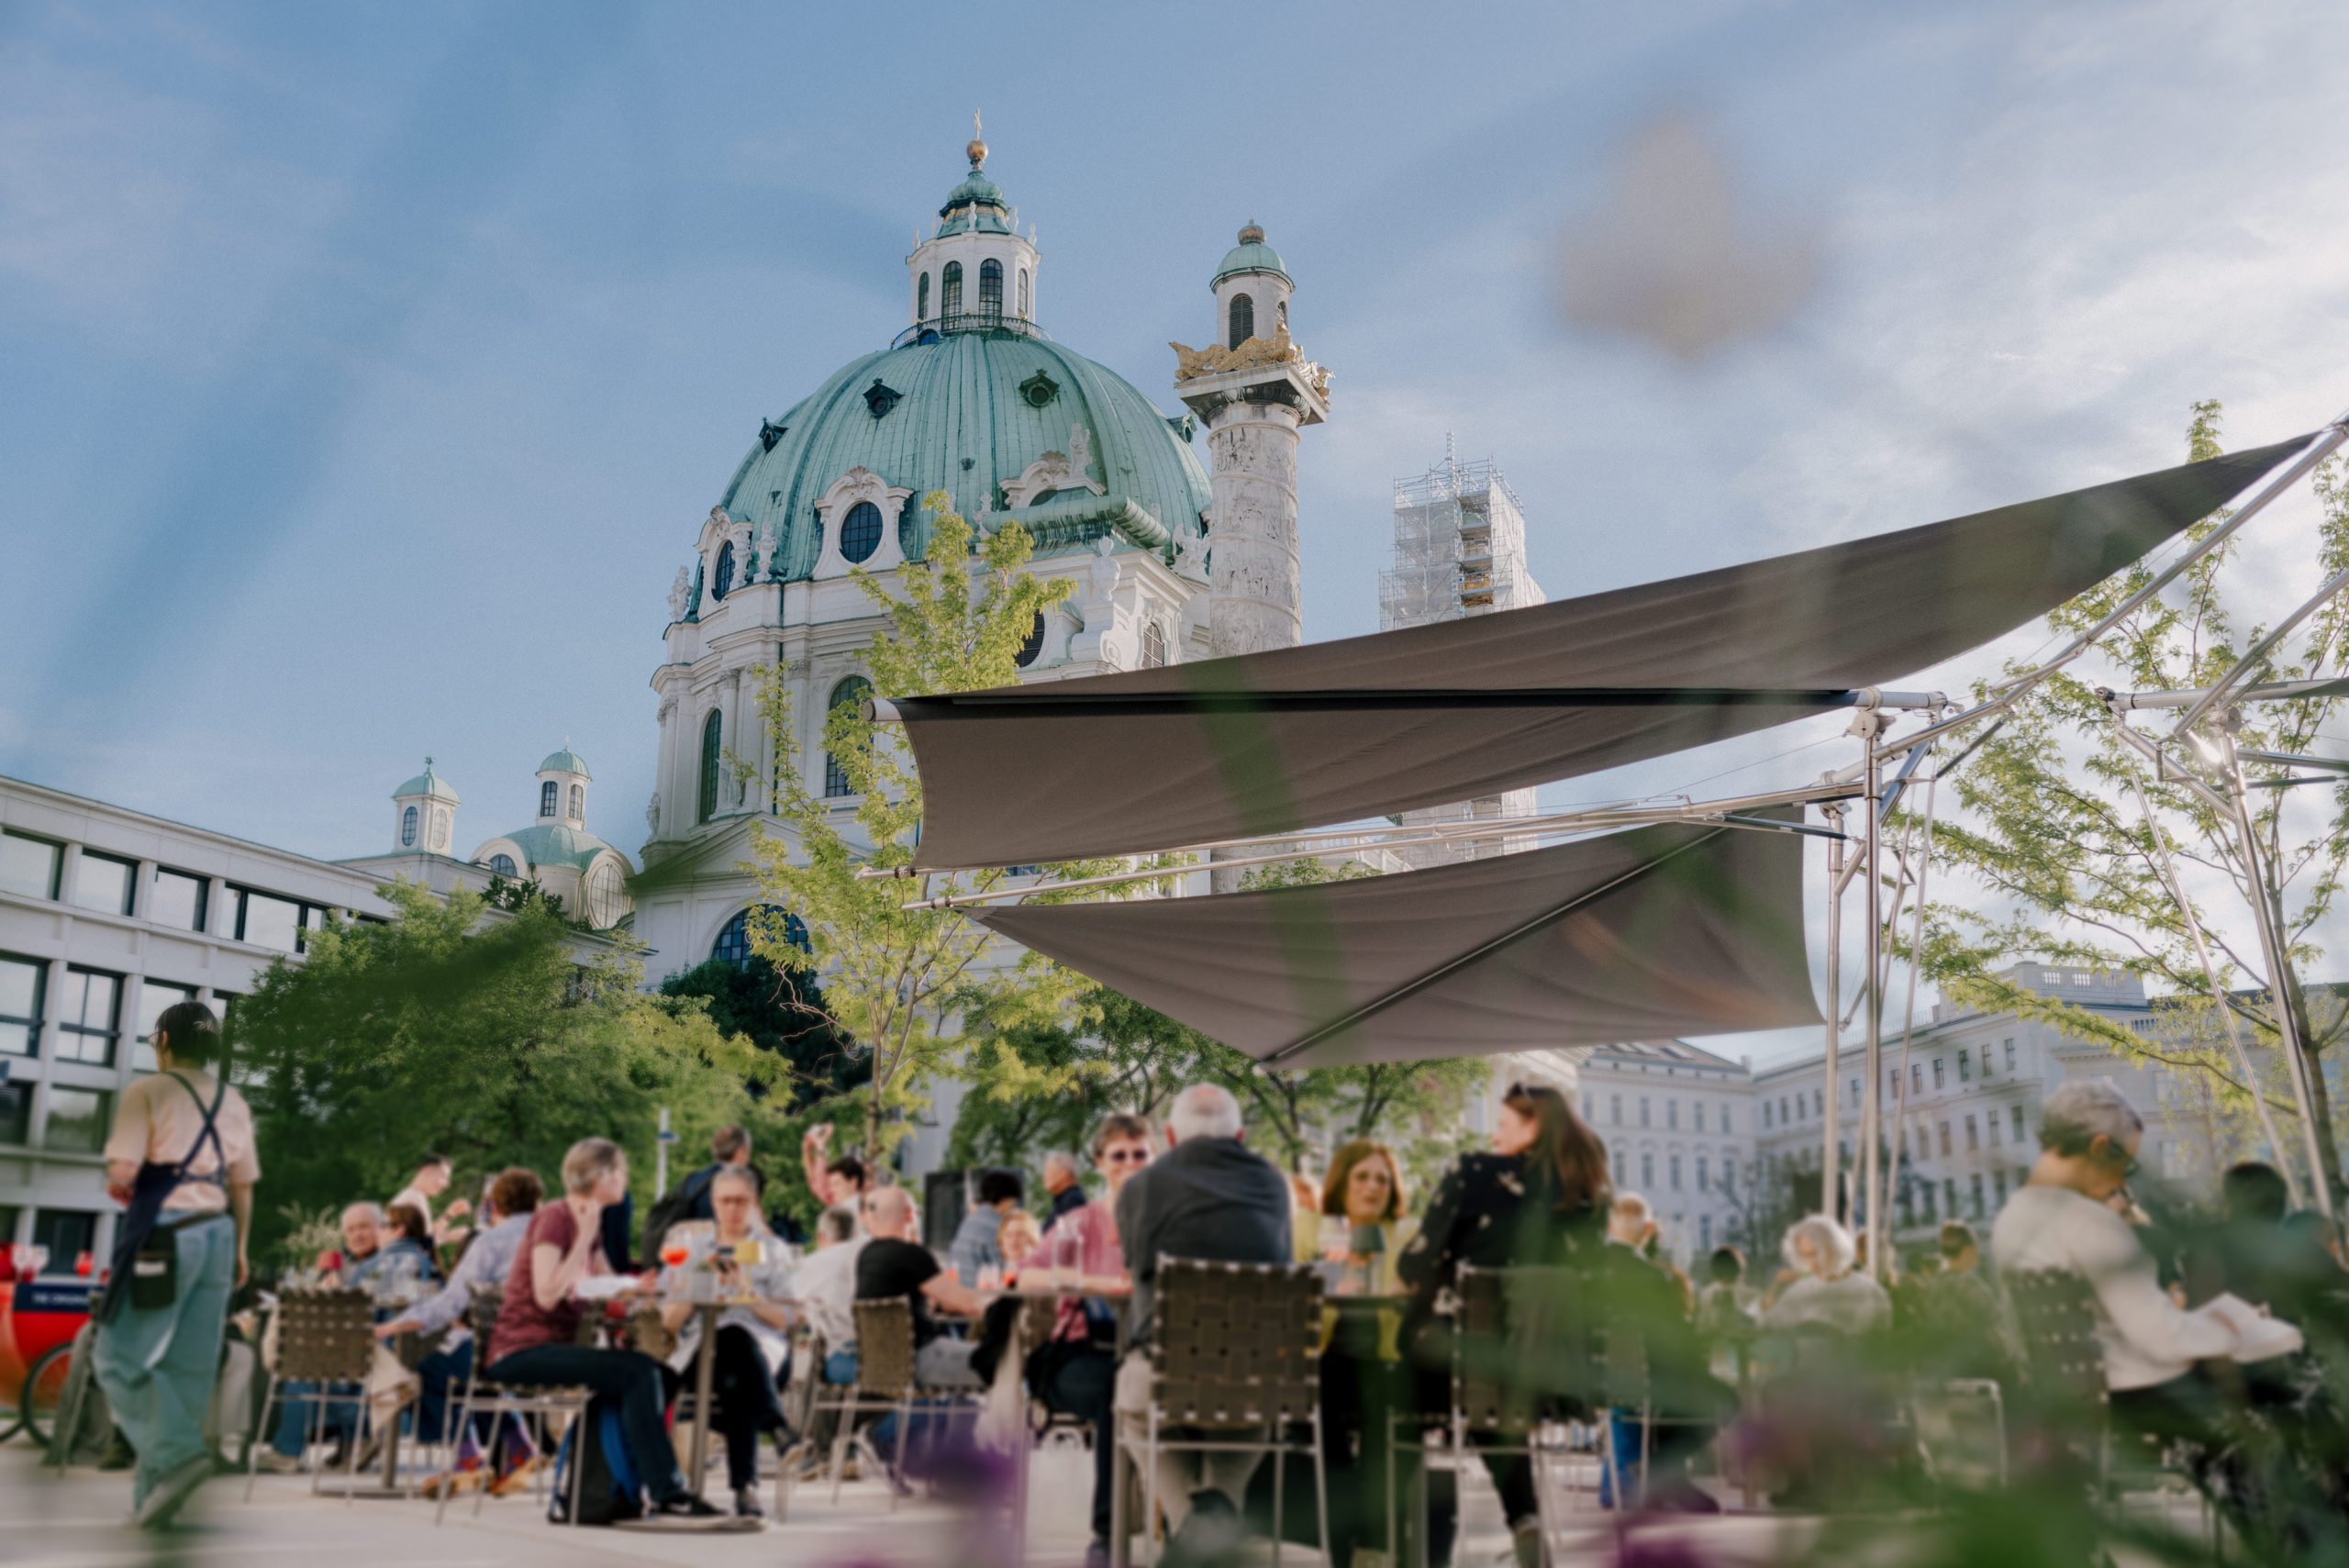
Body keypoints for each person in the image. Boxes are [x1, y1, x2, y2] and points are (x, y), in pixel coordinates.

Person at [1990, 1080, 2332, 1539]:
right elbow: (2161, 1337)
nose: (2122, 1180)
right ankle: (2303, 1541)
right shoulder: (2087, 1222)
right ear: (2099, 1148)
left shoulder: (2013, 1220)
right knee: (2311, 1394)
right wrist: (2230, 1327)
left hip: (2082, 1400)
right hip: (2145, 1398)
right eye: (2126, 1163)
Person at [1399, 1083, 1609, 1568]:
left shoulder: (1473, 1172)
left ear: (1532, 1125)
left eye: (1503, 1125)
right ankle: (1525, 1521)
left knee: (1400, 1397)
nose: (1494, 1137)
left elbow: (1418, 1262)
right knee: (1494, 1404)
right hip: (1555, 1376)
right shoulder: (1586, 1194)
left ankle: (1391, 1542)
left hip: (1457, 1364)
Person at [483, 1137, 721, 1520]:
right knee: (638, 1372)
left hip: (556, 1346)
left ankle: (614, 1488)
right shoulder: (556, 1217)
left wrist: (645, 1287)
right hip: (520, 1351)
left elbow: (608, 1284)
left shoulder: (587, 1222)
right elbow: (546, 1294)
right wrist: (582, 1236)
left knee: (660, 1373)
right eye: (622, 1171)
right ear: (601, 1175)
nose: (626, 1178)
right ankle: (668, 1492)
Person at [91, 999, 259, 1529]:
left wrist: (121, 1177)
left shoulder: (147, 1091)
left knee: (119, 1357)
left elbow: (122, 1174)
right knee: (187, 1370)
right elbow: (242, 1184)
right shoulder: (232, 1100)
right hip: (217, 1236)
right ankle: (157, 1499)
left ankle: (179, 1456)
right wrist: (239, 1249)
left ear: (163, 1041)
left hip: (165, 1237)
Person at [1113, 1084, 1293, 1564]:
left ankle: (1186, 1525)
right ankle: (1218, 1507)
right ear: (1240, 1134)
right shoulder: (1275, 1186)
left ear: (1169, 1136)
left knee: (1133, 1400)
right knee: (1254, 1400)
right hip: (1250, 1381)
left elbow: (1135, 1268)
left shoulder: (1140, 1187)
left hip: (1164, 1374)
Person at [1018, 1112, 1152, 1566]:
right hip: (1076, 1356)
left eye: (1140, 1153)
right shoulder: (1080, 1221)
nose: (1130, 1162)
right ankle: (1108, 1533)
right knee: (1120, 1390)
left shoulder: (1164, 1222)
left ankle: (1182, 1523)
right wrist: (1091, 1281)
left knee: (1147, 1384)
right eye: (1119, 1155)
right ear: (1099, 1162)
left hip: (1149, 1350)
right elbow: (1027, 1275)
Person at [372, 1168, 543, 1472]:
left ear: (496, 1205)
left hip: (504, 1351)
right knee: (471, 1373)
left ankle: (469, 1456)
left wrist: (393, 1326)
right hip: (556, 1350)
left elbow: (450, 1304)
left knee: (429, 1371)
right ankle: (518, 1448)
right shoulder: (559, 1235)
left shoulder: (492, 1241)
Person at [656, 1167, 796, 1518]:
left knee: (737, 1343)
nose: (732, 1209)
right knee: (732, 1348)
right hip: (700, 1354)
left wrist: (747, 1296)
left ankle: (746, 1484)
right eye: (725, 1201)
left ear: (754, 1203)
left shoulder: (773, 1250)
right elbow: (669, 1321)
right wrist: (697, 1282)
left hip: (762, 1355)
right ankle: (765, 1449)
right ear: (713, 1203)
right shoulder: (691, 1250)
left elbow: (788, 1319)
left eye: (740, 1201)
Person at [1312, 1139, 1415, 1568]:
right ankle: (1344, 1550)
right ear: (1342, 1182)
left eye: (1383, 1179)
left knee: (1386, 1401)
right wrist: (1336, 1269)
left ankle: (1373, 1547)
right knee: (1323, 1400)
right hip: (1323, 1362)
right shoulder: (1316, 1230)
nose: (1373, 1187)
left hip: (1385, 1361)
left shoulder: (1405, 1235)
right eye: (1363, 1177)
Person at [855, 1184, 987, 1391]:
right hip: (922, 1359)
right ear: (909, 1215)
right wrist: (1002, 1307)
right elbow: (966, 1304)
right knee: (1006, 1364)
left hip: (883, 1366)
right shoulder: (911, 1254)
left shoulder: (866, 1256)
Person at [793, 1203, 869, 1474]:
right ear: (857, 1231)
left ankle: (816, 1451)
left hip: (843, 1355)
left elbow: (794, 1307)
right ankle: (847, 1450)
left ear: (821, 1237)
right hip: (892, 1354)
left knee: (819, 1354)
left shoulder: (815, 1262)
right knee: (824, 1354)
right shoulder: (873, 1252)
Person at [1760, 1215, 1890, 1337]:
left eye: (1816, 1253)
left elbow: (1872, 1346)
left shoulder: (1871, 1293)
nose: (1812, 1263)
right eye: (1805, 1255)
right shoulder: (1798, 1292)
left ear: (1836, 1248)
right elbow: (1767, 1326)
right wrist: (1775, 1288)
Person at [947, 1169, 1025, 1284]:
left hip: (959, 1291)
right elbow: (1005, 1273)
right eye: (1013, 1199)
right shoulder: (998, 1226)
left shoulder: (969, 1221)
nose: (1013, 1204)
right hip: (981, 1296)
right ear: (1005, 1198)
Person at [389, 1152, 470, 1248]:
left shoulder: (416, 1198)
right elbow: (412, 1245)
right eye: (443, 1177)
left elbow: (427, 1236)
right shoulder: (410, 1200)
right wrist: (448, 1237)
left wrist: (449, 1215)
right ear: (426, 1171)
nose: (447, 1185)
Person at [1039, 1151, 1089, 1230]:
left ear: (1063, 1172)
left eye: (1047, 1170)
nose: (1044, 1176)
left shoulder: (1073, 1200)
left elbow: (1069, 1238)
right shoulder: (1063, 1201)